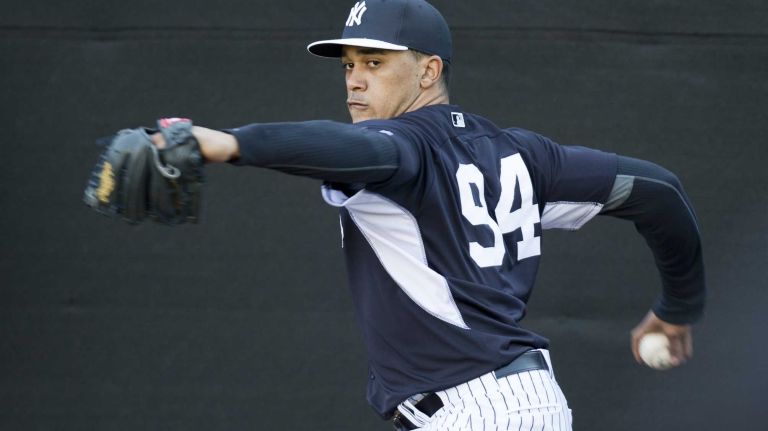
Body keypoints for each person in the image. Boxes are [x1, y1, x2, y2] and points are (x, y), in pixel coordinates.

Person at [151, 1, 705, 429]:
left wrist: (222, 143)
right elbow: (657, 190)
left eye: (375, 61)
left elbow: (354, 150)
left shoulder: (399, 148)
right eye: (348, 65)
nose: (355, 79)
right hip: (515, 404)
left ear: (428, 70)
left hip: (475, 411)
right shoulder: (521, 153)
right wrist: (677, 307)